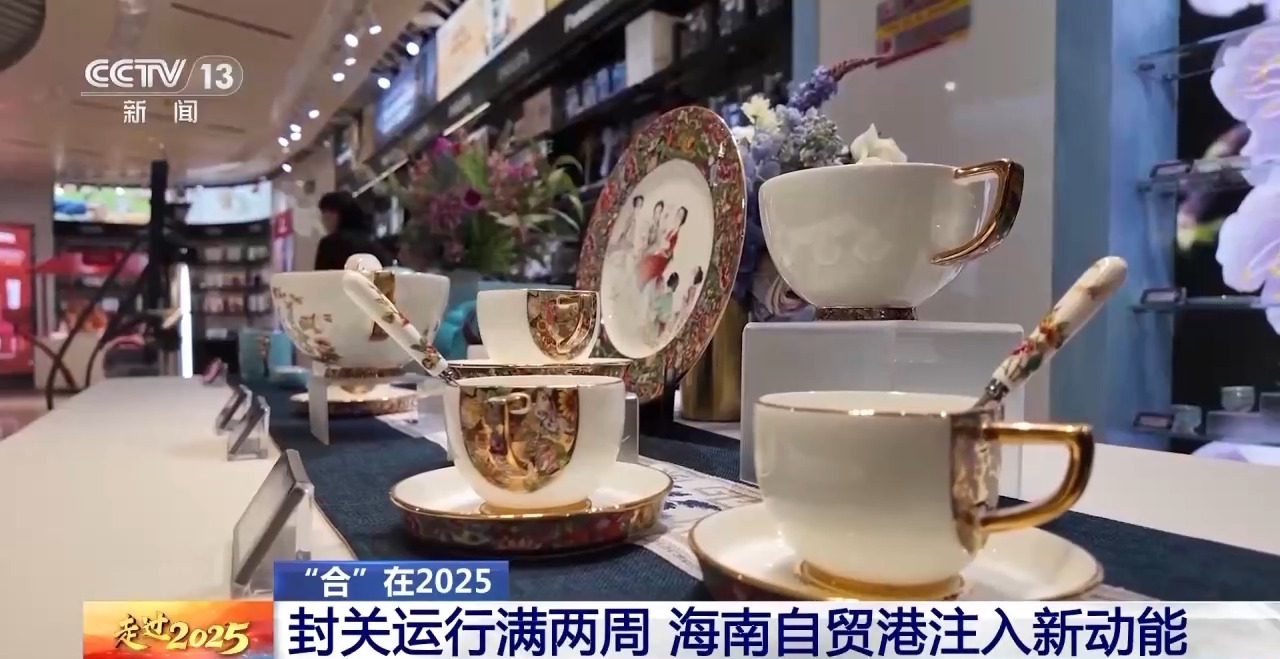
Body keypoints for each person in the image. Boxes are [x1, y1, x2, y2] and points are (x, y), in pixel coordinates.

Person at [313, 191, 391, 270]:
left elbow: (321, 275)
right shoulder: (375, 244)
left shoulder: (329, 244)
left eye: (325, 214)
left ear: (337, 214)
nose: (323, 220)